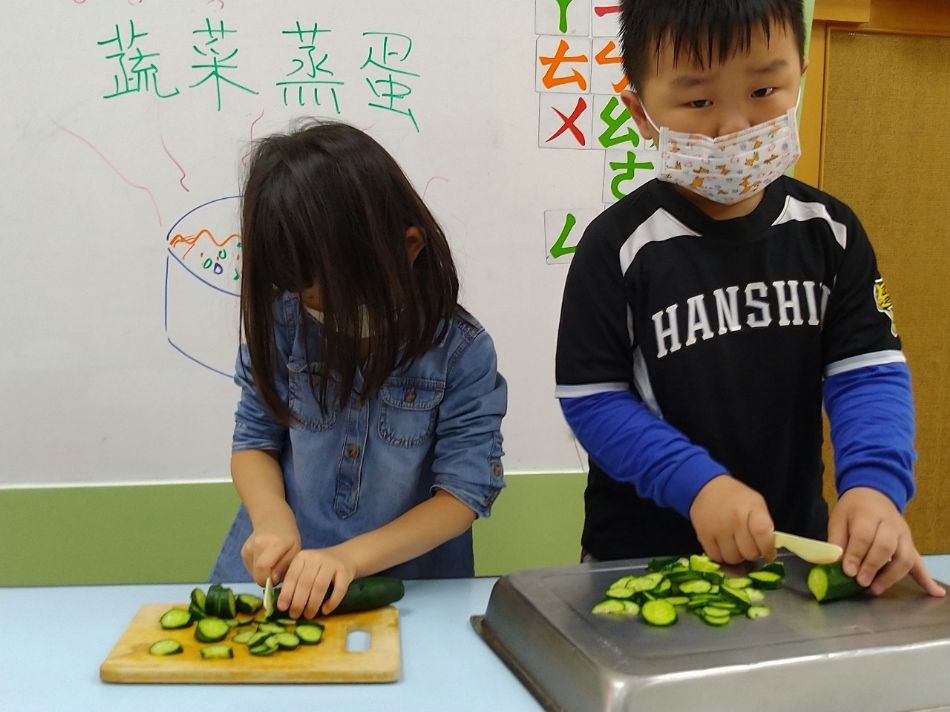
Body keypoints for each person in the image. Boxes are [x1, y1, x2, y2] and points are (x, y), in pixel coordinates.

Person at [555, 0, 944, 597]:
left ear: (799, 77)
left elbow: (866, 373)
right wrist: (698, 485)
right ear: (641, 113)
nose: (735, 126)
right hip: (641, 562)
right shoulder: (618, 248)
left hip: (790, 558)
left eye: (763, 90)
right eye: (698, 102)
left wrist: (874, 488)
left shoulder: (831, 232)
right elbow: (593, 400)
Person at [211, 120, 508, 618]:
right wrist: (272, 520)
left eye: (335, 297)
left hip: (406, 591)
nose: (318, 312)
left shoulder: (460, 351)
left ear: (408, 247)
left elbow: (462, 495)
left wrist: (348, 559)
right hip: (278, 583)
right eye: (303, 296)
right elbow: (254, 443)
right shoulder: (284, 323)